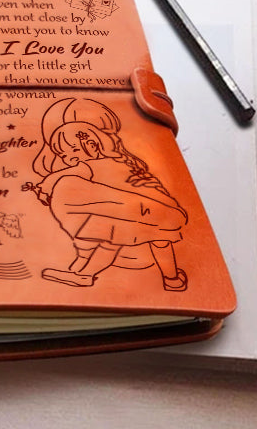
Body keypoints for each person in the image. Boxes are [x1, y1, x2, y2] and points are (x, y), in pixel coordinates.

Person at [24, 97, 188, 291]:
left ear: (91, 146)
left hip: (133, 211)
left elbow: (57, 176)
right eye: (62, 154)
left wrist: (44, 187)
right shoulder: (123, 161)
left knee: (109, 245)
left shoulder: (88, 166)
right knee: (161, 242)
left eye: (70, 151)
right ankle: (172, 279)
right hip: (157, 208)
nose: (67, 158)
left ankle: (85, 275)